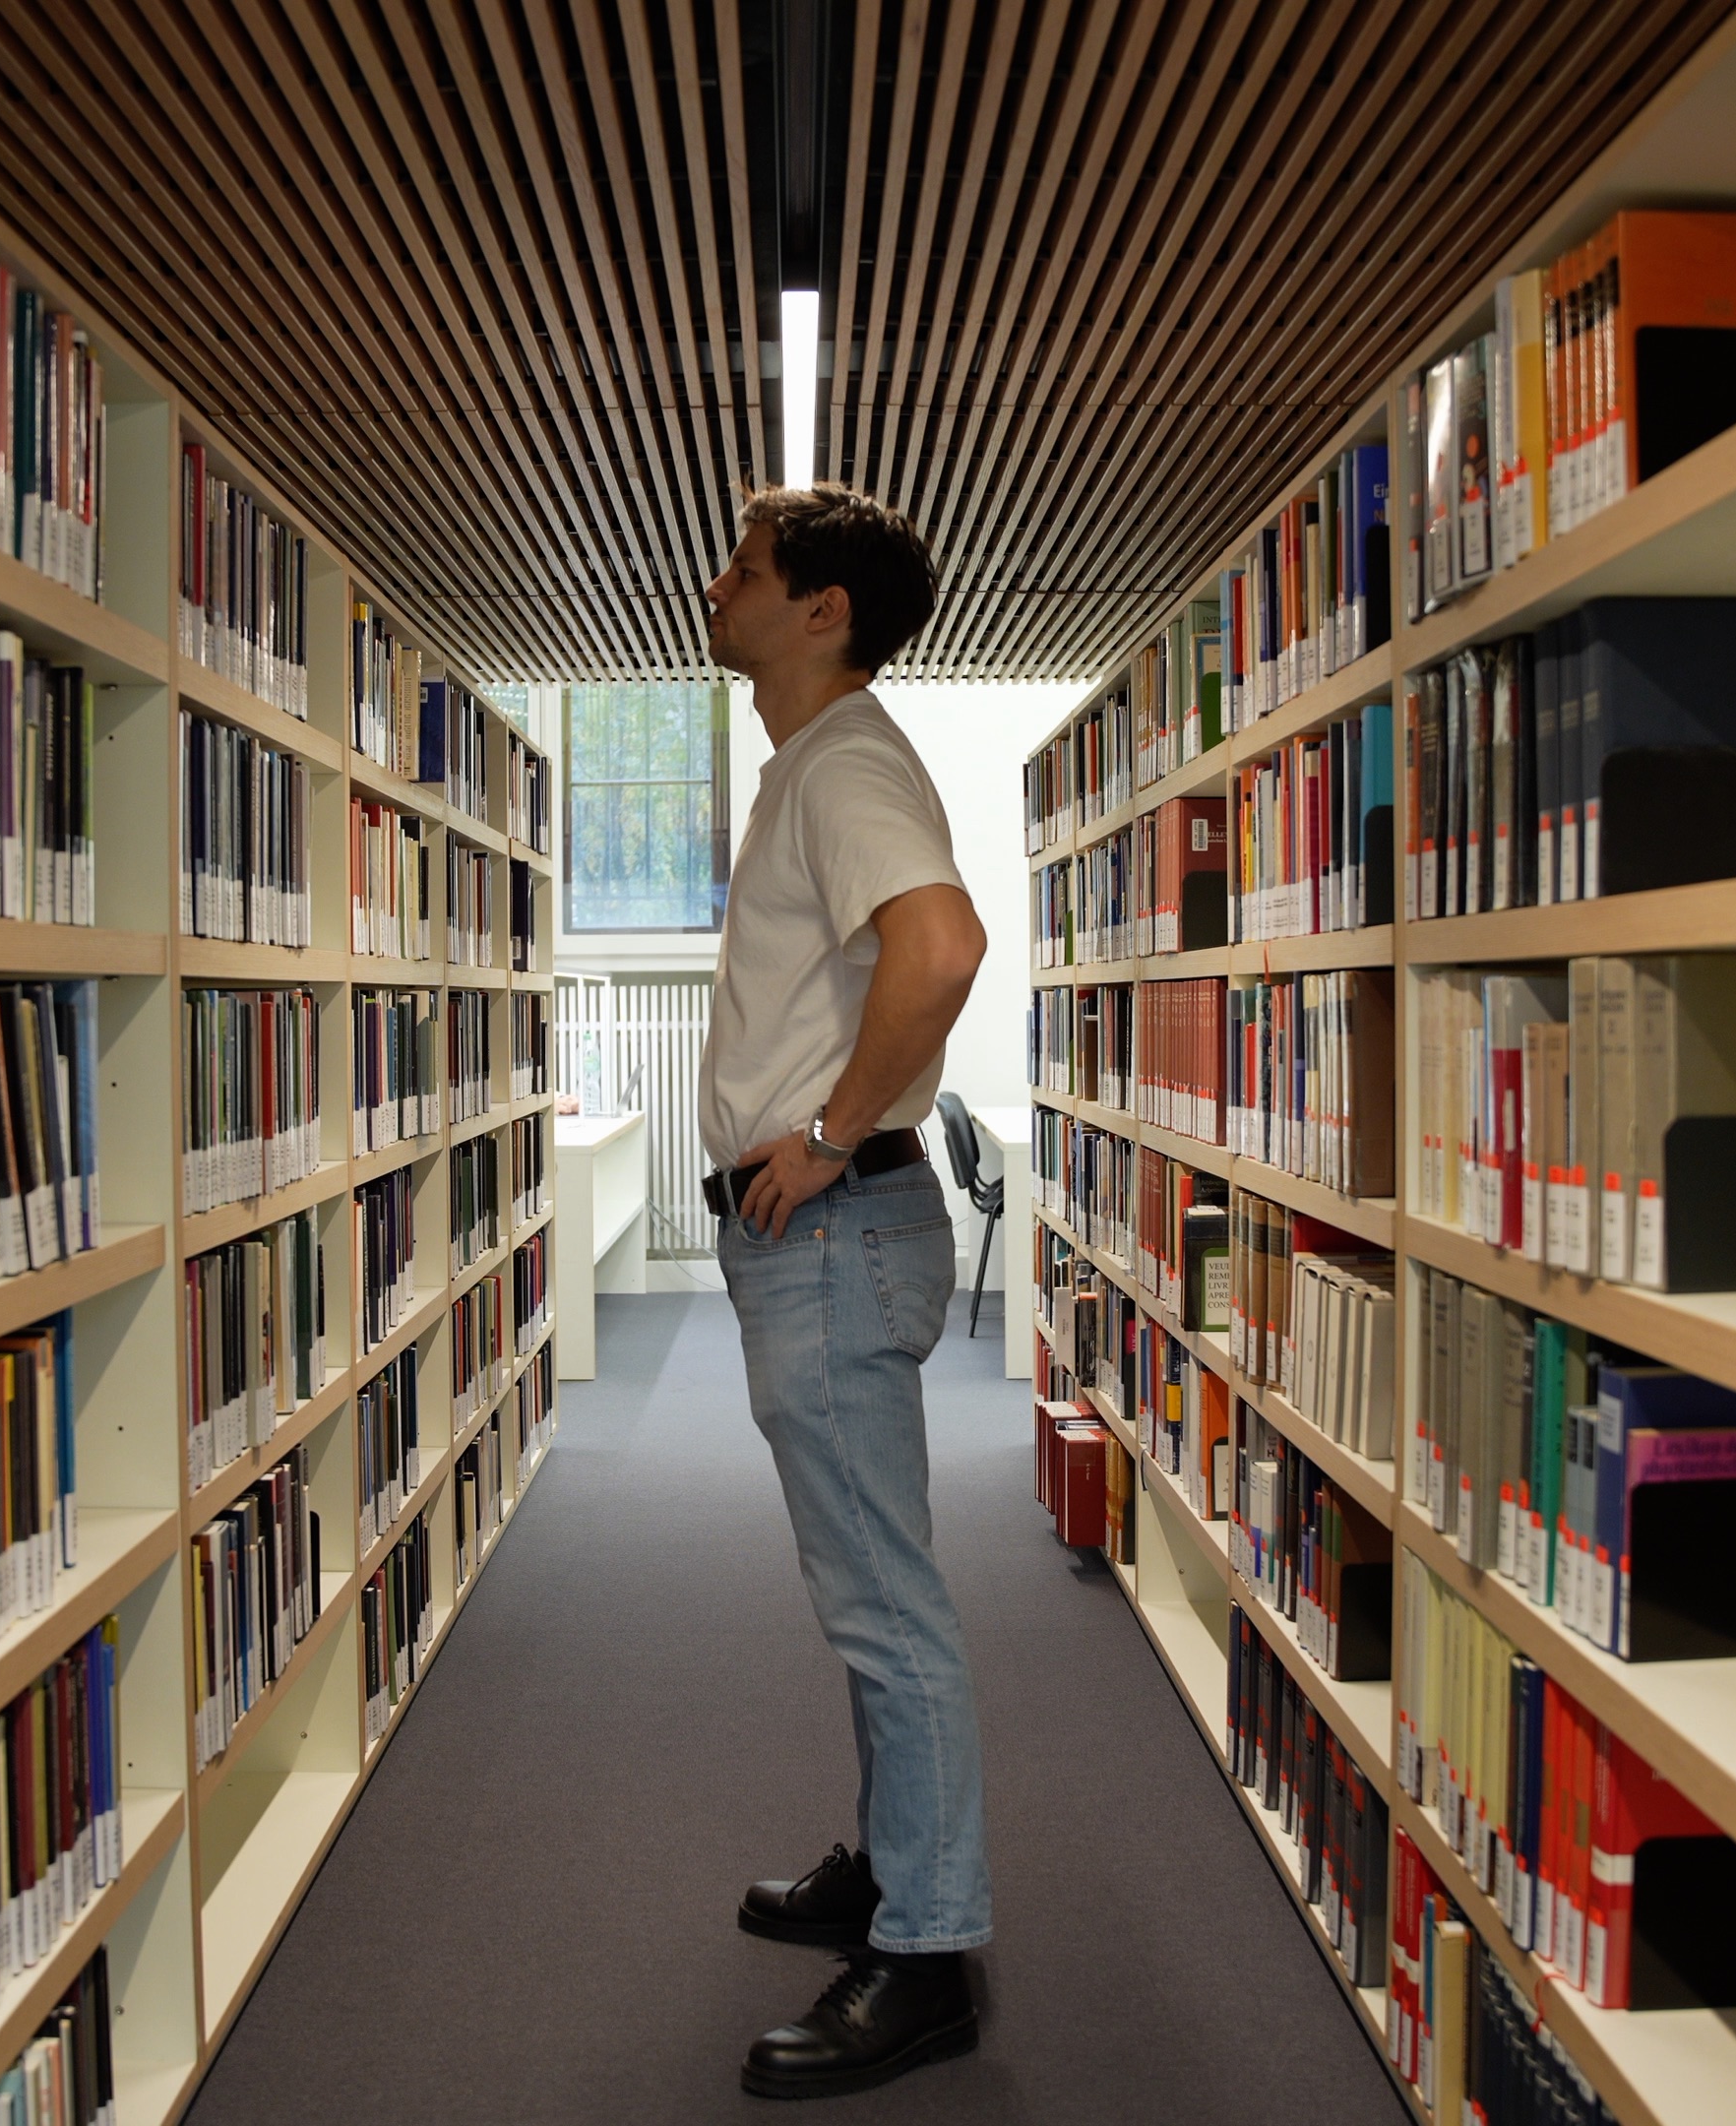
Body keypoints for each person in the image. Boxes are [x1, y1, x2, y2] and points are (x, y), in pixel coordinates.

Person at [694, 483, 993, 2101]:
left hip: (835, 1231)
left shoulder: (848, 761)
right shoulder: (812, 764)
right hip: (823, 1238)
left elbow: (941, 950)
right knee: (869, 1591)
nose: (716, 584)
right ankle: (892, 1873)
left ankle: (928, 1956)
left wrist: (820, 1137)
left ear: (824, 610)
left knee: (887, 1608)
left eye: (747, 567)